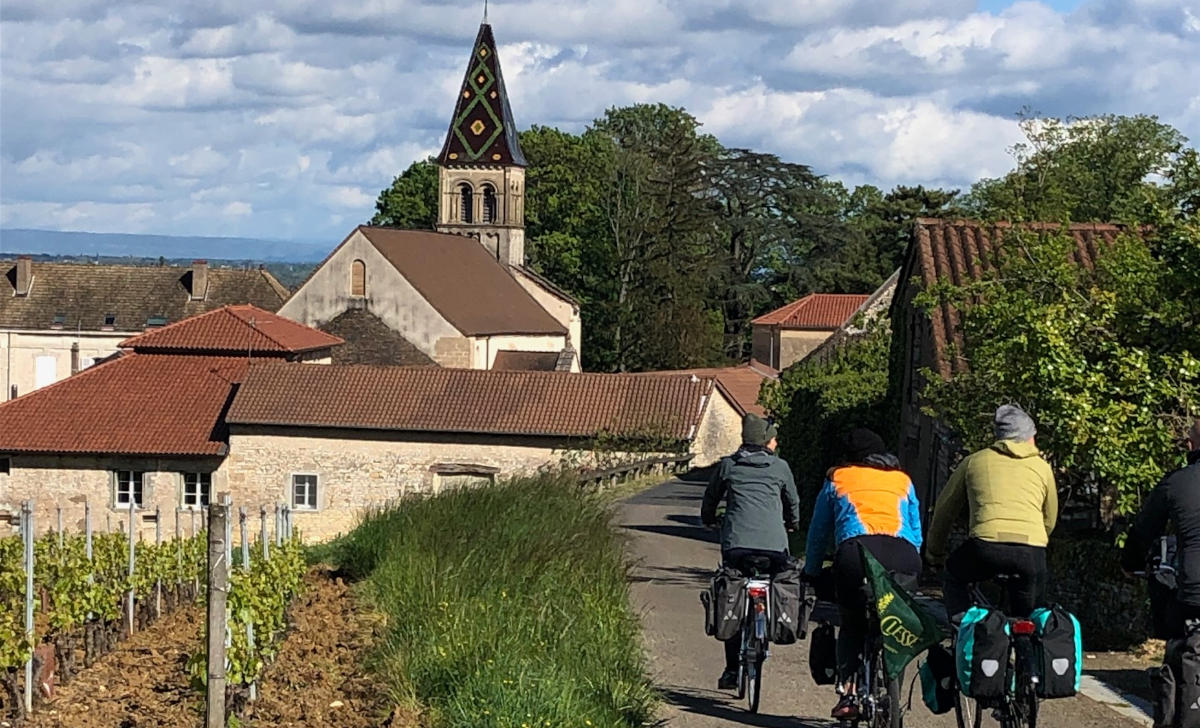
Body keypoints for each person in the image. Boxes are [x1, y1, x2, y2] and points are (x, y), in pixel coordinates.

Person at [803, 427, 923, 721]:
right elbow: (917, 533)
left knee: (852, 621)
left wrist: (812, 572)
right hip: (903, 555)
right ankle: (892, 687)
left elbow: (818, 534)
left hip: (855, 554)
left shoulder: (838, 479)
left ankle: (848, 693)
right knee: (897, 626)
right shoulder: (903, 481)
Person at [926, 404, 1058, 619]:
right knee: (1030, 616)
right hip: (1031, 552)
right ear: (1028, 437)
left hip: (985, 548)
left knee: (954, 577)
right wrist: (1035, 540)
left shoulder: (974, 461)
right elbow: (1050, 518)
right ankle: (1027, 643)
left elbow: (944, 511)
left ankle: (963, 628)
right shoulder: (1042, 467)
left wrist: (935, 555)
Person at [701, 413, 801, 691]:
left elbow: (711, 498)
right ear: (768, 442)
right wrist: (793, 524)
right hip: (775, 548)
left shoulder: (728, 466)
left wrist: (708, 519)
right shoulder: (781, 468)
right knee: (772, 580)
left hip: (736, 546)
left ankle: (732, 669)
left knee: (733, 593)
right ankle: (769, 625)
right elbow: (792, 501)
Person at [1121, 418, 1200, 637]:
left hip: (1194, 592)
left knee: (1167, 598)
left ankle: (1176, 652)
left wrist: (1131, 564)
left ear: (1190, 445)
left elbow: (1144, 529)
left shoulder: (1175, 483)